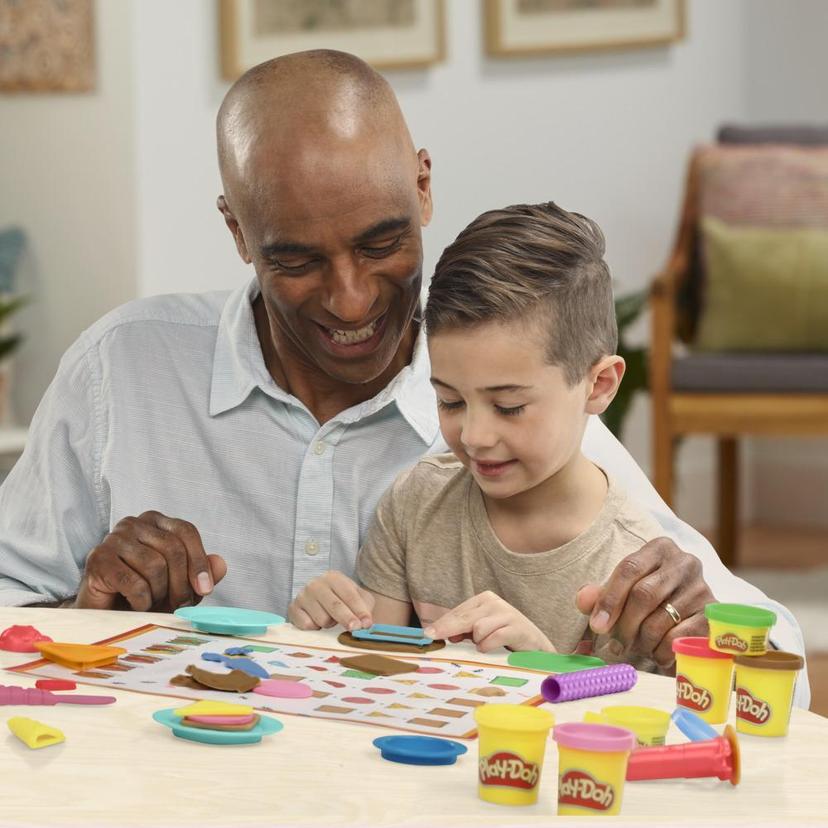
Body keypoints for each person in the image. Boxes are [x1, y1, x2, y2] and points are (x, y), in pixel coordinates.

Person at [0, 51, 809, 703]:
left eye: (380, 243)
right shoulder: (122, 368)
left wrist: (691, 613)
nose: (350, 297)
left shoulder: (518, 411)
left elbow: (784, 664)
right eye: (297, 259)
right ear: (238, 234)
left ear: (423, 187)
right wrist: (86, 608)